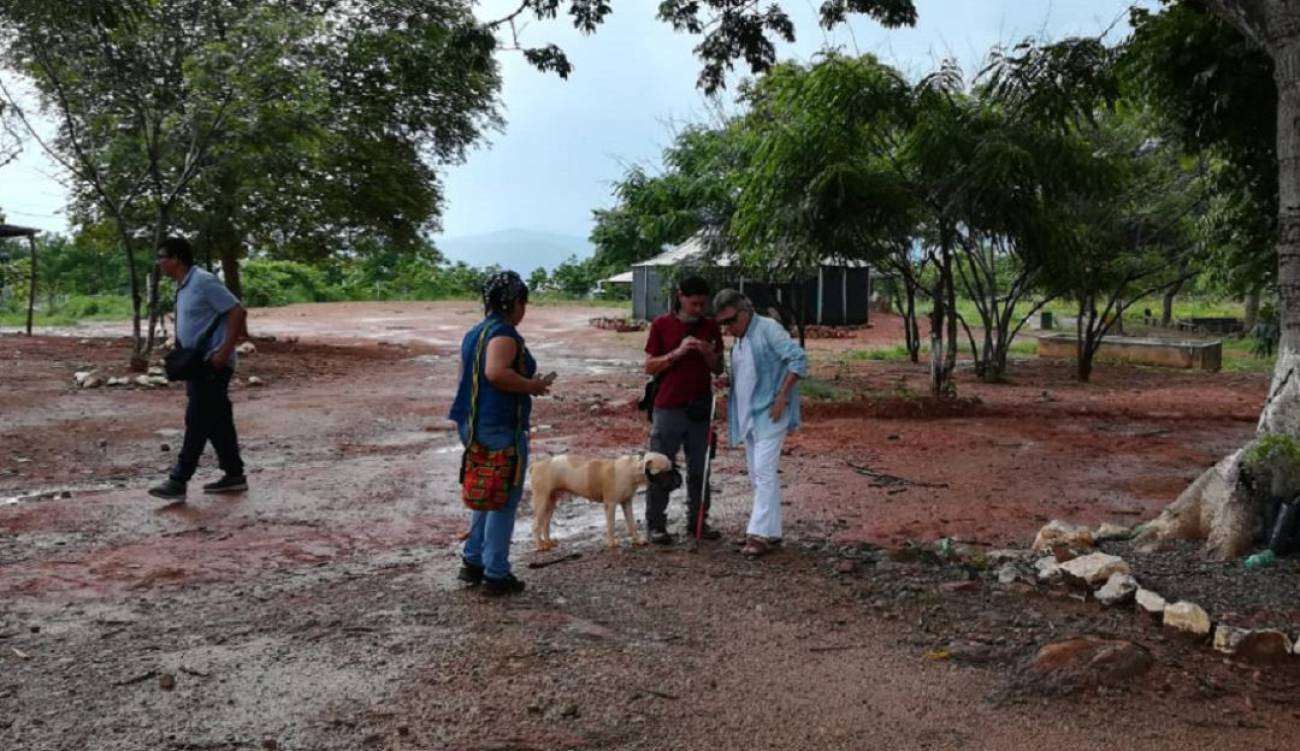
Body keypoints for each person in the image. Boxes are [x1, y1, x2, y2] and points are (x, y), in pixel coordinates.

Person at [448, 271, 552, 596]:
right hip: (499, 424)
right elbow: (496, 372)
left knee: (485, 488)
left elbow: (468, 375)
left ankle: (473, 561)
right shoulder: (504, 334)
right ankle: (496, 573)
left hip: (473, 421)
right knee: (504, 498)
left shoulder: (474, 332)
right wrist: (532, 386)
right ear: (517, 302)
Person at [148, 237, 249, 500]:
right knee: (217, 421)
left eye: (162, 257)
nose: (158, 263)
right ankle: (234, 475)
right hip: (197, 364)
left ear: (177, 259)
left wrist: (224, 351)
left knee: (197, 419)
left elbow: (237, 311)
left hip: (213, 365)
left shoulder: (203, 281)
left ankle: (179, 479)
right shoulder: (182, 287)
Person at [712, 289, 807, 557]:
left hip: (770, 414)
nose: (727, 328)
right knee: (758, 475)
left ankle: (758, 534)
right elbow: (750, 375)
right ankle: (772, 531)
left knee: (763, 472)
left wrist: (782, 396)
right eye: (723, 324)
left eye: (730, 321)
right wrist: (728, 382)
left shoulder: (768, 329)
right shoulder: (740, 340)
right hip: (749, 416)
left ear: (744, 312)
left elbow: (798, 359)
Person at [643, 275, 724, 544]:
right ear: (681, 297)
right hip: (668, 407)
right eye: (694, 304)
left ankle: (698, 521)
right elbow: (650, 366)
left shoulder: (710, 326)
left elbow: (718, 367)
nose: (699, 309)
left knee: (700, 469)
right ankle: (656, 524)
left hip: (700, 408)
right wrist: (677, 353)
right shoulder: (662, 324)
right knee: (660, 467)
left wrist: (707, 352)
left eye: (703, 304)